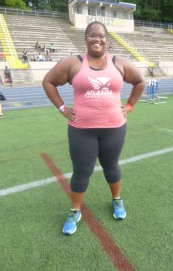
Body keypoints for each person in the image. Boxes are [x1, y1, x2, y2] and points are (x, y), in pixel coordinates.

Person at [42, 21, 145, 235]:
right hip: (82, 129)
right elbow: (48, 81)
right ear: (85, 38)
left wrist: (129, 106)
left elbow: (140, 81)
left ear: (106, 40)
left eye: (101, 36)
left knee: (112, 166)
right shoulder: (74, 63)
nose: (97, 39)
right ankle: (75, 211)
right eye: (92, 35)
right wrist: (62, 108)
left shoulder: (118, 62)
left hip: (114, 128)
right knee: (82, 172)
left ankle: (117, 200)